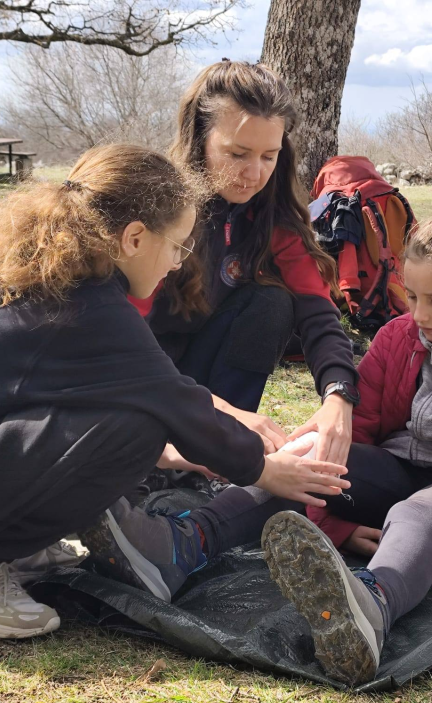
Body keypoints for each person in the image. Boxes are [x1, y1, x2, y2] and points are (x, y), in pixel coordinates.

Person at [0, 144, 348, 639]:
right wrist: (264, 470)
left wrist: (188, 458)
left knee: (129, 420)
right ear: (134, 239)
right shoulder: (89, 309)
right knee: (140, 429)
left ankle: (11, 543)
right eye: (177, 246)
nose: (177, 264)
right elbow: (172, 401)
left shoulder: (41, 274)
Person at [97, 191, 432, 686]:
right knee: (305, 462)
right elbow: (359, 432)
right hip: (393, 468)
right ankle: (182, 547)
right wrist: (335, 525)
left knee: (415, 516)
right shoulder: (397, 337)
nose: (418, 313)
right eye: (413, 295)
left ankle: (371, 608)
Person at [131, 60, 359, 467]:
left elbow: (318, 316)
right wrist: (226, 414)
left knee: (272, 303)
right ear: (199, 139)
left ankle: (212, 462)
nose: (253, 174)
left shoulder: (273, 216)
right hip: (141, 382)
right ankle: (187, 456)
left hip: (206, 388)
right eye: (237, 154)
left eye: (269, 156)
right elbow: (124, 344)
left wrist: (339, 395)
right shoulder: (159, 212)